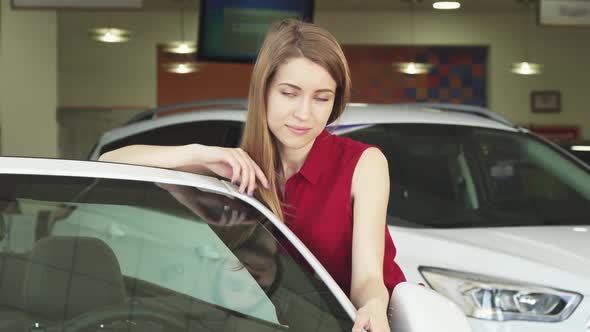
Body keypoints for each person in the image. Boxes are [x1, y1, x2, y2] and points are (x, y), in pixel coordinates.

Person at [100, 18, 406, 332]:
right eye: (289, 93)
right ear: (264, 90)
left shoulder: (363, 164)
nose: (304, 113)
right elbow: (109, 161)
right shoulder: (237, 166)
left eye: (321, 98)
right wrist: (196, 153)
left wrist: (372, 303)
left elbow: (368, 278)